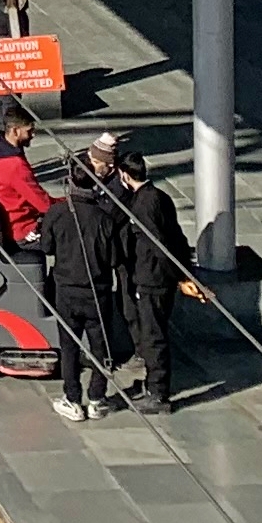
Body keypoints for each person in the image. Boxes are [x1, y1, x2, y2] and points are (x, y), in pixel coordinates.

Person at [86, 133, 195, 413]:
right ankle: (153, 380)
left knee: (153, 334)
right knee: (149, 329)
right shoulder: (159, 197)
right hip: (154, 276)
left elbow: (159, 244)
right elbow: (177, 237)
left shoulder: (141, 205)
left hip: (151, 278)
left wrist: (182, 277)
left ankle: (159, 394)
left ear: (123, 174)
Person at [39, 184, 129, 420]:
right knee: (101, 347)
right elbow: (113, 258)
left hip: (66, 291)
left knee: (69, 347)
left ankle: (72, 398)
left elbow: (46, 247)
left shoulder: (56, 213)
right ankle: (97, 398)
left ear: (70, 187)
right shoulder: (104, 219)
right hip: (97, 293)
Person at [0, 105, 53, 246]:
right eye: (29, 130)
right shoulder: (15, 165)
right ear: (15, 131)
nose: (33, 135)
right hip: (23, 230)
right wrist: (69, 201)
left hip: (9, 222)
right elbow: (44, 205)